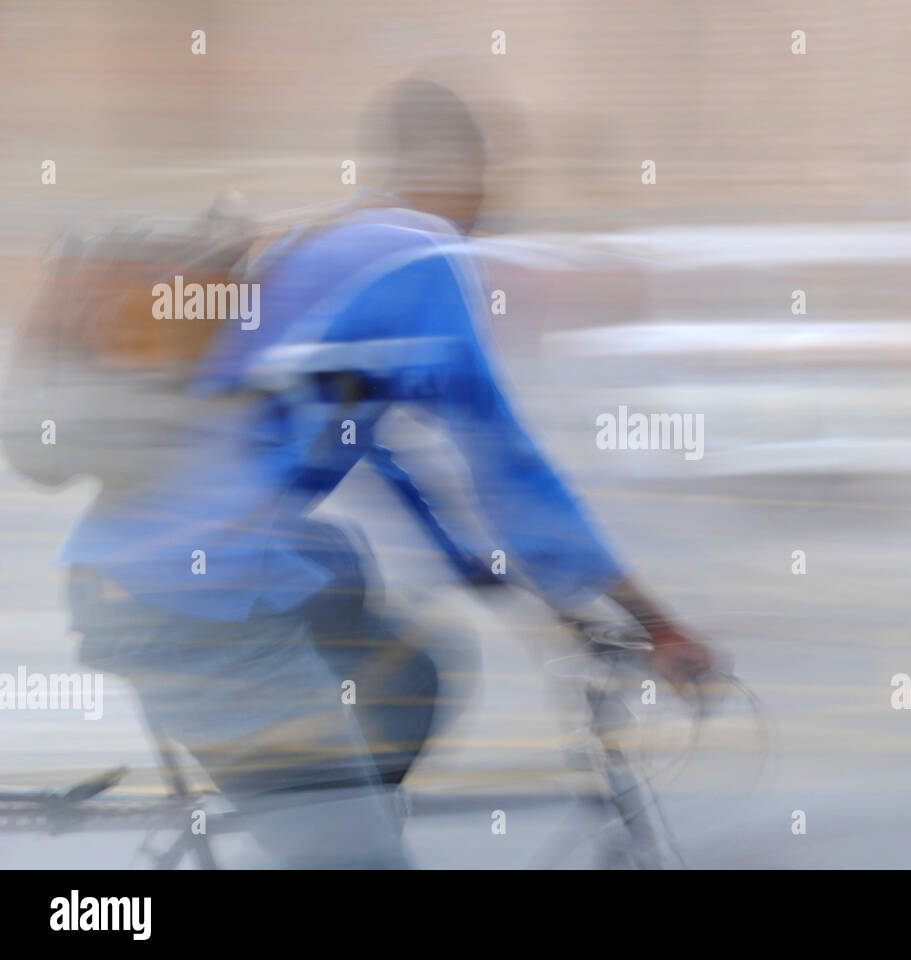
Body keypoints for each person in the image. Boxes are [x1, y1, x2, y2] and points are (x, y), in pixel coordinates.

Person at [51, 78, 718, 868]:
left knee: (413, 671)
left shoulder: (326, 245)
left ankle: (329, 815)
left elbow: (396, 464)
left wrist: (532, 595)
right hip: (195, 614)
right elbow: (507, 464)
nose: (497, 196)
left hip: (159, 578)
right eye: (492, 171)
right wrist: (654, 620)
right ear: (463, 168)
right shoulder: (424, 254)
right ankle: (335, 836)